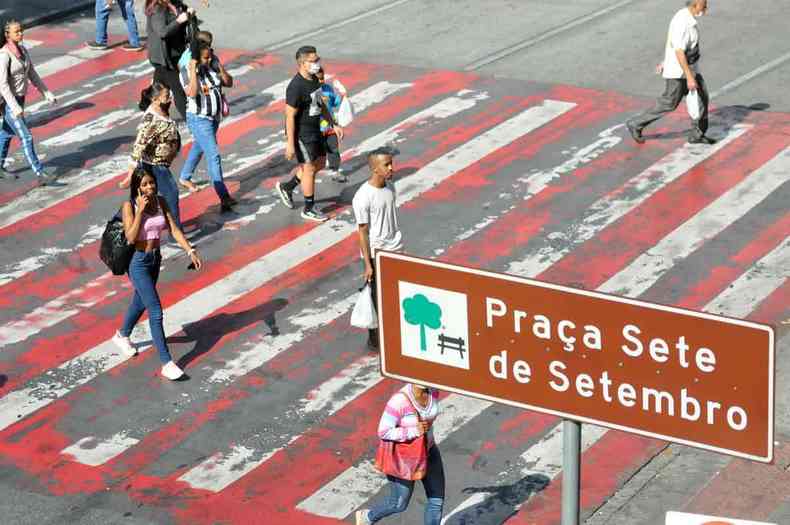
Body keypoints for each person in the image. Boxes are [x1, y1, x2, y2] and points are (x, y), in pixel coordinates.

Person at [112, 166, 202, 380]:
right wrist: (141, 212)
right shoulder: (129, 206)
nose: (149, 187)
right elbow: (131, 238)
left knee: (140, 301)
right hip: (137, 262)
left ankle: (122, 335)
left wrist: (190, 250)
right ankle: (167, 362)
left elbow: (174, 229)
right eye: (144, 184)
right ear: (136, 187)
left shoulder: (160, 202)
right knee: (155, 310)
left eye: (151, 183)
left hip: (154, 259)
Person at [626, 0, 715, 145]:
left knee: (702, 97)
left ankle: (697, 133)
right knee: (669, 103)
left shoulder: (686, 17)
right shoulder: (683, 22)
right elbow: (679, 51)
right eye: (703, 5)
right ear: (695, 4)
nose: (705, 8)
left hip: (689, 68)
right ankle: (636, 123)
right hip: (680, 72)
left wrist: (666, 60)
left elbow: (671, 42)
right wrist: (689, 77)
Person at [356, 383, 444, 525]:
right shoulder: (399, 401)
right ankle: (368, 517)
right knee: (398, 504)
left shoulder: (433, 390)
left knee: (436, 500)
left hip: (429, 451)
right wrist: (414, 431)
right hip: (405, 459)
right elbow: (383, 431)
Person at [275, 45, 344, 222]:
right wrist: (290, 143)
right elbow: (289, 116)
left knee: (320, 163)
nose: (317, 64)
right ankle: (308, 208)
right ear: (303, 63)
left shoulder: (314, 79)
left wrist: (333, 124)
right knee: (309, 169)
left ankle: (288, 187)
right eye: (313, 61)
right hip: (302, 134)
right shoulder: (295, 87)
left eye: (317, 59)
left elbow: (319, 103)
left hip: (316, 129)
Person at [352, 149, 402, 351]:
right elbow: (362, 232)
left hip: (396, 247)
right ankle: (375, 340)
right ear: (374, 168)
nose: (391, 168)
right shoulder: (362, 197)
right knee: (377, 299)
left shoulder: (391, 187)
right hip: (377, 253)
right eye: (386, 165)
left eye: (391, 163)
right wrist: (368, 264)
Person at [178, 42, 236, 211]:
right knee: (213, 154)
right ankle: (223, 196)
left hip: (214, 117)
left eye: (210, 54)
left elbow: (229, 82)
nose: (210, 58)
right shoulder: (185, 72)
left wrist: (221, 68)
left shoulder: (213, 65)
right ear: (196, 58)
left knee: (199, 146)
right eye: (206, 57)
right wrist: (193, 71)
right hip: (198, 118)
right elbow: (192, 92)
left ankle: (185, 176)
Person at [120, 82, 183, 230]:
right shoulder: (151, 119)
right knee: (170, 195)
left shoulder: (162, 109)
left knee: (147, 198)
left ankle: (138, 226)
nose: (170, 98)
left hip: (159, 165)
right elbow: (138, 146)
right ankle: (176, 232)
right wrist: (130, 175)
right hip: (155, 166)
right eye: (166, 96)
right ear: (155, 100)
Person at [0, 19, 57, 183]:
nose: (20, 33)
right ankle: (40, 173)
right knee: (26, 137)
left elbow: (32, 73)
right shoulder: (4, 55)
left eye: (21, 30)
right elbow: (2, 85)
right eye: (16, 32)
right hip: (9, 103)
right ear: (7, 35)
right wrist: (15, 107)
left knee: (6, 133)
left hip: (20, 99)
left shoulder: (23, 50)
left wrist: (46, 93)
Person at [145, 0, 195, 119]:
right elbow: (162, 32)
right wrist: (179, 20)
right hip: (165, 58)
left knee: (159, 86)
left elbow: (178, 27)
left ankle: (147, 109)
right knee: (178, 91)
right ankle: (191, 122)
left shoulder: (175, 4)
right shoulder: (157, 9)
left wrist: (188, 16)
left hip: (174, 55)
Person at [316, 67, 345, 182]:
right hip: (316, 128)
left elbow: (334, 103)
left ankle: (335, 170)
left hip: (330, 127)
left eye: (322, 78)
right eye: (318, 79)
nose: (321, 81)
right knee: (317, 152)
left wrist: (342, 95)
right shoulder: (310, 93)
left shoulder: (328, 89)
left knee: (333, 148)